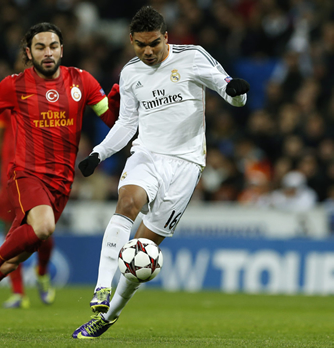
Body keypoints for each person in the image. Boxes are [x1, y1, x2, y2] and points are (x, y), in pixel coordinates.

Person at [72, 6, 249, 339]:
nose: (148, 51)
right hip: (147, 154)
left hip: (186, 165)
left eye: (154, 43)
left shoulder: (193, 56)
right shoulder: (130, 72)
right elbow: (126, 123)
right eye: (140, 45)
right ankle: (100, 287)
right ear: (131, 41)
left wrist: (238, 94)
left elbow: (228, 88)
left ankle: (109, 317)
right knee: (127, 202)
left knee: (143, 251)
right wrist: (99, 153)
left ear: (166, 37)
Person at [0, 22, 120, 332]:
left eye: (52, 46)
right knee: (43, 227)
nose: (47, 53)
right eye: (40, 47)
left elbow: (111, 119)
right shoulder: (14, 85)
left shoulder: (82, 81)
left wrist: (116, 102)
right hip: (26, 174)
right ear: (28, 52)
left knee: (12, 261)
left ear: (61, 49)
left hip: (62, 183)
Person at [0, 109, 55, 309]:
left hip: (39, 175)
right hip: (10, 176)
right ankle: (18, 292)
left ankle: (42, 271)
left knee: (43, 232)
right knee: (10, 233)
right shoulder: (8, 99)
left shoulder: (47, 99)